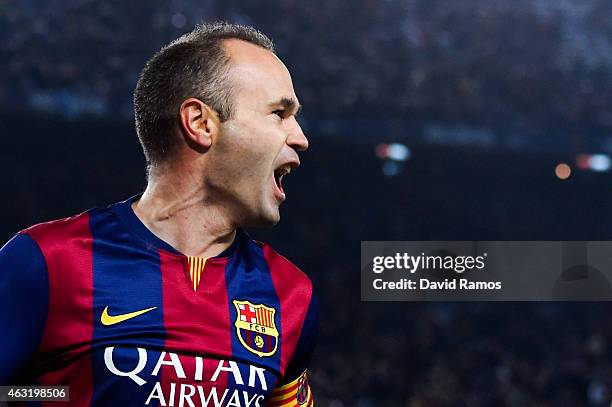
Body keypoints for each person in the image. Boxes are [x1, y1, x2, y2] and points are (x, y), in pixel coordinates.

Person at [0, 22, 317, 407]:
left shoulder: (291, 294)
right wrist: (61, 395)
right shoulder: (48, 261)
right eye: (279, 113)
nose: (300, 137)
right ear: (201, 124)